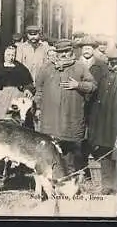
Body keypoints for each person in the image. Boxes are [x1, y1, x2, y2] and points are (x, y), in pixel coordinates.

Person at [34, 39, 97, 173]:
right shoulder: (46, 67)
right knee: (50, 148)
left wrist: (78, 85)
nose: (64, 54)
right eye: (61, 52)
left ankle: (69, 179)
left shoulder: (80, 67)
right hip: (51, 118)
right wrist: (38, 108)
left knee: (69, 150)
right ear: (56, 53)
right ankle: (51, 179)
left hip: (71, 117)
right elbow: (38, 89)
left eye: (66, 51)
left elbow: (93, 86)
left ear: (71, 51)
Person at [86, 47, 117, 194]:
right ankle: (107, 185)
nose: (114, 66)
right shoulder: (104, 78)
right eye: (111, 63)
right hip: (105, 124)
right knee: (105, 151)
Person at [0, 44, 34, 120]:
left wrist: (27, 89)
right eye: (8, 54)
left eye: (13, 55)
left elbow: (29, 84)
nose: (10, 57)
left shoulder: (21, 68)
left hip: (16, 101)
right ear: (3, 54)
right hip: (0, 101)